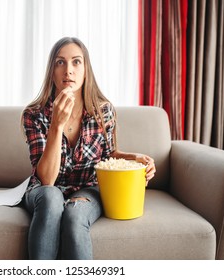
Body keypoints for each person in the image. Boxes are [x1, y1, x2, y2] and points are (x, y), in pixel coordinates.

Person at [21, 37, 156, 260]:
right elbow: (46, 179)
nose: (69, 71)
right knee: (52, 197)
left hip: (87, 188)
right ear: (52, 71)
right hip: (44, 190)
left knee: (75, 216)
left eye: (76, 62)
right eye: (60, 63)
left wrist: (135, 157)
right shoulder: (34, 115)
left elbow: (109, 155)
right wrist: (56, 125)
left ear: (86, 70)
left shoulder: (103, 111)